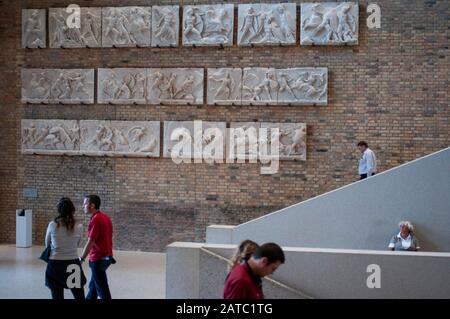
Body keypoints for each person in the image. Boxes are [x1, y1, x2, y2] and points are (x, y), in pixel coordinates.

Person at [45, 197, 86, 299]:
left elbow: (47, 244)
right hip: (73, 264)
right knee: (79, 295)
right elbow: (78, 244)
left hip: (55, 264)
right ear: (72, 210)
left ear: (59, 210)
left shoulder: (52, 225)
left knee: (57, 295)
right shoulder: (79, 226)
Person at [80, 195, 114, 299]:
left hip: (98, 259)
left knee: (102, 290)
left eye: (85, 203)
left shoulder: (96, 220)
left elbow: (90, 242)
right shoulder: (105, 217)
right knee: (93, 287)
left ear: (92, 205)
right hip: (107, 257)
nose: (83, 206)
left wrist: (82, 258)